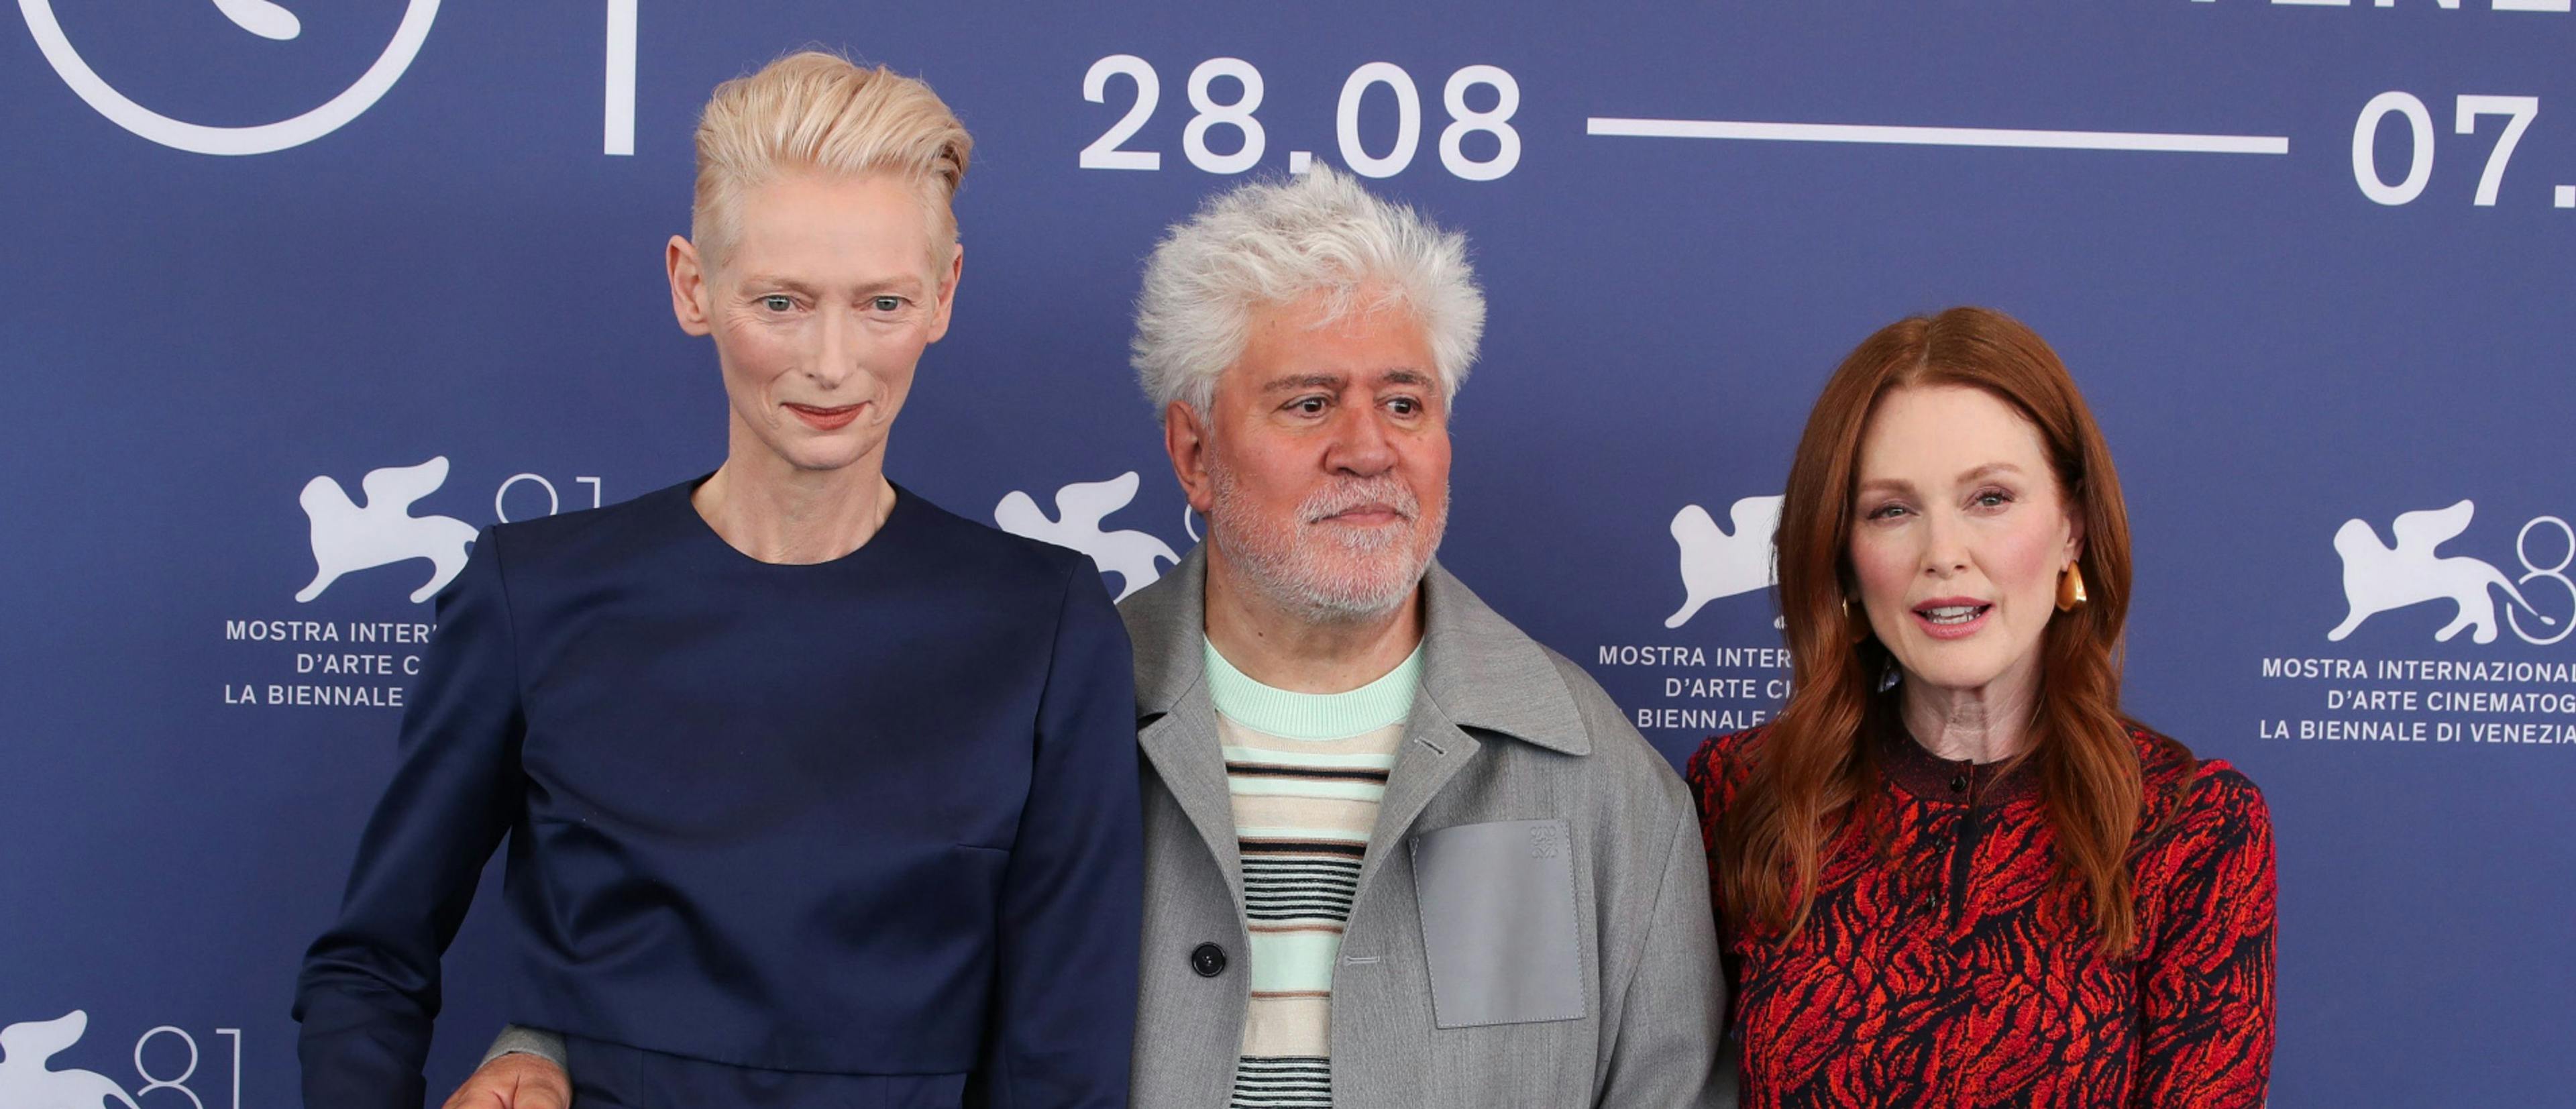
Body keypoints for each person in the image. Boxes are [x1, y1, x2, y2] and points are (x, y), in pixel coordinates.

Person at [458, 167, 1731, 1108]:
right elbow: (795, 964)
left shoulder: (1594, 775)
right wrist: (553, 1044)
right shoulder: (1025, 705)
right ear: (1191, 451)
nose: (1369, 446)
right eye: (1307, 400)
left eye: (1406, 400)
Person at [292, 52, 1142, 1109]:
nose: (832, 362)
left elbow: (1062, 1064)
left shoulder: (1043, 626)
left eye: (882, 302)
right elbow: (369, 963)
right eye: (781, 302)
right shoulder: (536, 597)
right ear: (694, 287)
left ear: (945, 295)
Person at [1686, 307, 2275, 1107]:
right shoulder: (1739, 794)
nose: (1943, 554)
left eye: (1990, 498)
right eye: (1892, 510)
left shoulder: (2193, 828)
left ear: (2072, 527)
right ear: (1844, 558)